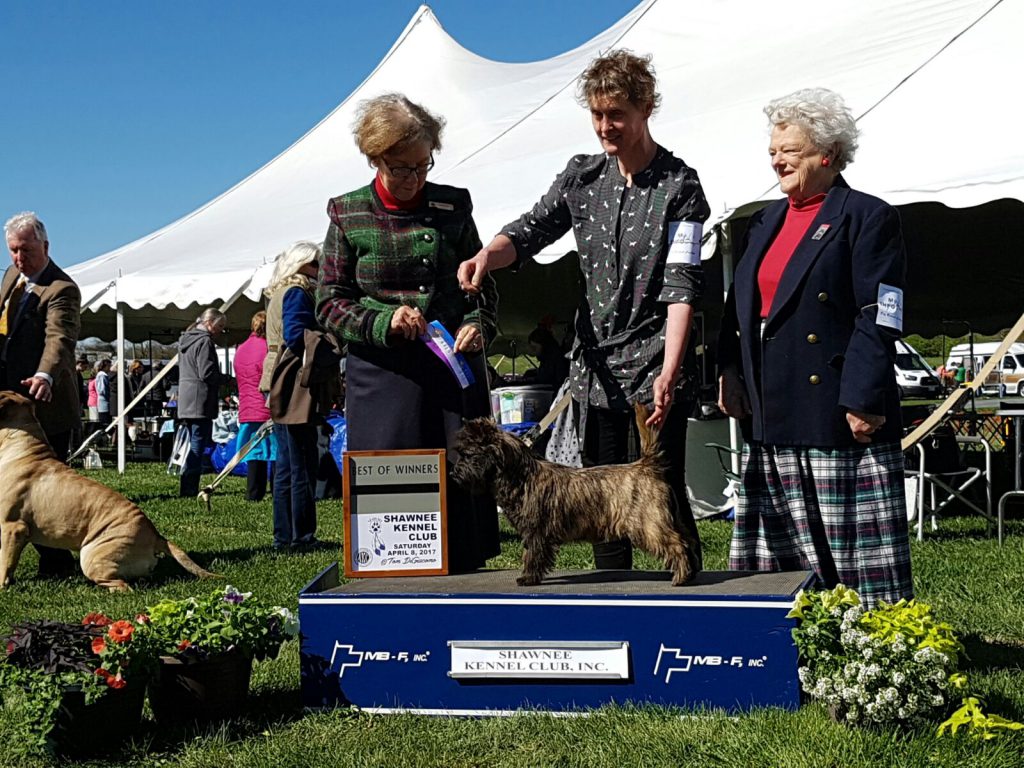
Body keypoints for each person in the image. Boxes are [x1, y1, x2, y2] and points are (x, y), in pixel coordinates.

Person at [457, 51, 708, 576]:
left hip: (654, 367)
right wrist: (488, 255)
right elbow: (528, 233)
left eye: (615, 113)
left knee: (661, 504)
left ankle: (686, 602)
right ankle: (616, 605)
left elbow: (683, 287)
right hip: (593, 374)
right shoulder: (582, 177)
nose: (604, 126)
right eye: (596, 114)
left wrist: (669, 371)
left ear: (646, 108)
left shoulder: (680, 186)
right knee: (599, 506)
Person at [717, 88, 912, 608]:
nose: (778, 161)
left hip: (835, 412)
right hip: (769, 414)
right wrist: (729, 370)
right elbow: (738, 307)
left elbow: (880, 314)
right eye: (774, 152)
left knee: (849, 557)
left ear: (827, 154)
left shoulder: (868, 217)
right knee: (779, 553)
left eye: (791, 152)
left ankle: (868, 649)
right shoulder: (761, 222)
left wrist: (863, 396)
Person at [317, 93, 500, 572]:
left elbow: (481, 287)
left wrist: (477, 324)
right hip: (382, 380)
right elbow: (330, 303)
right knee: (392, 498)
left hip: (451, 372)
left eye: (423, 166)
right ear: (376, 159)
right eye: (402, 168)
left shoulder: (453, 206)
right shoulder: (347, 212)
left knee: (463, 484)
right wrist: (383, 321)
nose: (415, 179)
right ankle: (391, 582)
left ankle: (468, 579)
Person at [1, 211, 82, 577]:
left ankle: (56, 564)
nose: (20, 259)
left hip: (45, 406)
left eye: (27, 250)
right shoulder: (9, 277)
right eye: (14, 251)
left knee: (48, 493)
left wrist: (45, 374)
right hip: (8, 408)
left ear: (46, 246)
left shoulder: (61, 289)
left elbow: (59, 340)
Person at [262, 242, 323, 548]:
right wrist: (326, 340)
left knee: (286, 463)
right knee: (301, 461)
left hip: (276, 376)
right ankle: (301, 535)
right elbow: (297, 335)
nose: (320, 270)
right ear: (301, 265)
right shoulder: (298, 292)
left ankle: (283, 535)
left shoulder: (277, 294)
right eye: (315, 264)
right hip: (293, 379)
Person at [177, 308, 228, 498]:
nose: (220, 331)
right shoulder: (204, 341)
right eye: (219, 326)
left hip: (186, 398)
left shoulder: (187, 340)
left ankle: (187, 484)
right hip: (200, 399)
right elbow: (206, 372)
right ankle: (189, 487)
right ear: (209, 323)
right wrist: (226, 379)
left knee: (193, 442)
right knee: (197, 444)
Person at [234, 311, 275, 501]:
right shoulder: (268, 348)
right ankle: (278, 490)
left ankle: (253, 493)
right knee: (276, 451)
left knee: (254, 451)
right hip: (266, 406)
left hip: (247, 407)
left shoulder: (241, 349)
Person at [94, 358, 112, 426]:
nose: (110, 368)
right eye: (109, 366)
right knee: (105, 423)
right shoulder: (102, 375)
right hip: (104, 404)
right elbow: (102, 389)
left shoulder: (100, 375)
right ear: (105, 366)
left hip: (103, 403)